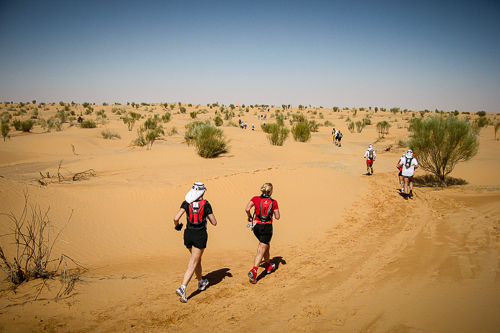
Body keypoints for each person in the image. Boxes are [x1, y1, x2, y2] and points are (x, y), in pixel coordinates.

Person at [173, 182, 218, 302]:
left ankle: (201, 282)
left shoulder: (186, 202)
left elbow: (176, 218)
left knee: (196, 259)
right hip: (200, 235)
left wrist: (177, 226)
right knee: (193, 262)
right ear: (202, 192)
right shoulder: (206, 204)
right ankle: (183, 288)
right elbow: (214, 222)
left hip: (188, 235)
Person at [245, 183, 280, 284]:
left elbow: (247, 208)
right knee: (261, 248)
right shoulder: (273, 202)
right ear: (271, 192)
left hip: (256, 227)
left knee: (265, 246)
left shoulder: (255, 198)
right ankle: (254, 270)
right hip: (266, 227)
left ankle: (268, 265)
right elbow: (277, 217)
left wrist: (249, 216)